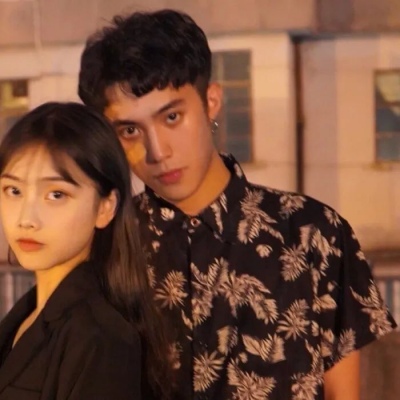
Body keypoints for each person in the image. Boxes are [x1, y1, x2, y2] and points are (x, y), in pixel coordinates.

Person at [78, 9, 397, 400]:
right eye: (130, 130)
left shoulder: (313, 233)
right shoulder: (106, 246)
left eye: (172, 117)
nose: (157, 151)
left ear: (211, 101)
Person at [0, 102, 173, 400]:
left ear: (105, 208)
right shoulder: (25, 315)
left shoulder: (101, 338)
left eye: (56, 194)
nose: (26, 219)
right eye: (13, 191)